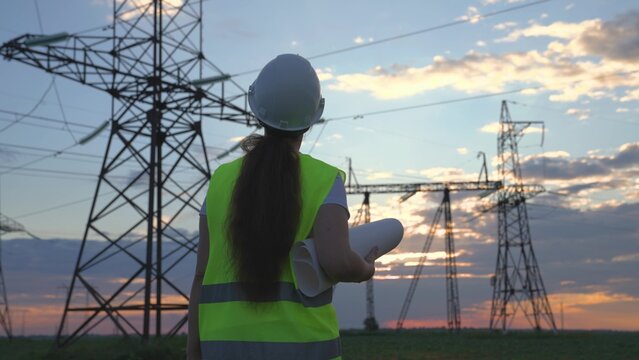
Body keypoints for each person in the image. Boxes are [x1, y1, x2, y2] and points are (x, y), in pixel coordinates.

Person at [186, 54, 377, 360]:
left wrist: (195, 349)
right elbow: (338, 262)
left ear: (257, 111)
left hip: (222, 348)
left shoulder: (221, 181)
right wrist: (365, 268)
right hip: (304, 349)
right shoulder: (324, 180)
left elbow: (200, 275)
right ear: (315, 115)